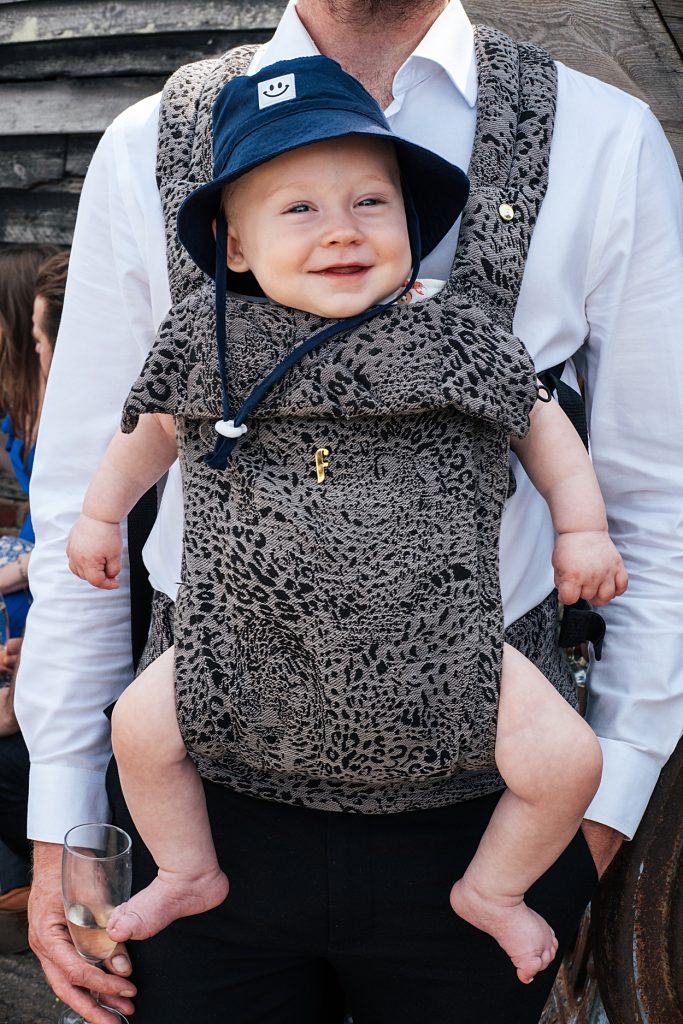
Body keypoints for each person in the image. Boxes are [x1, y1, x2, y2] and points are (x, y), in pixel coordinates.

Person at [15, 2, 683, 1023]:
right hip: (209, 775)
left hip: (479, 781)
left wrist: (599, 811)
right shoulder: (149, 140)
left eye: (371, 204)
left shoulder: (601, 140)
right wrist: (63, 806)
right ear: (233, 243)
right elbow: (87, 478)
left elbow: (653, 498)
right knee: (138, 729)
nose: (339, 232)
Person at [0, 249, 70, 951]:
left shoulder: (74, 415)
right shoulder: (20, 399)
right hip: (30, 624)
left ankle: (23, 893)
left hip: (47, 620)